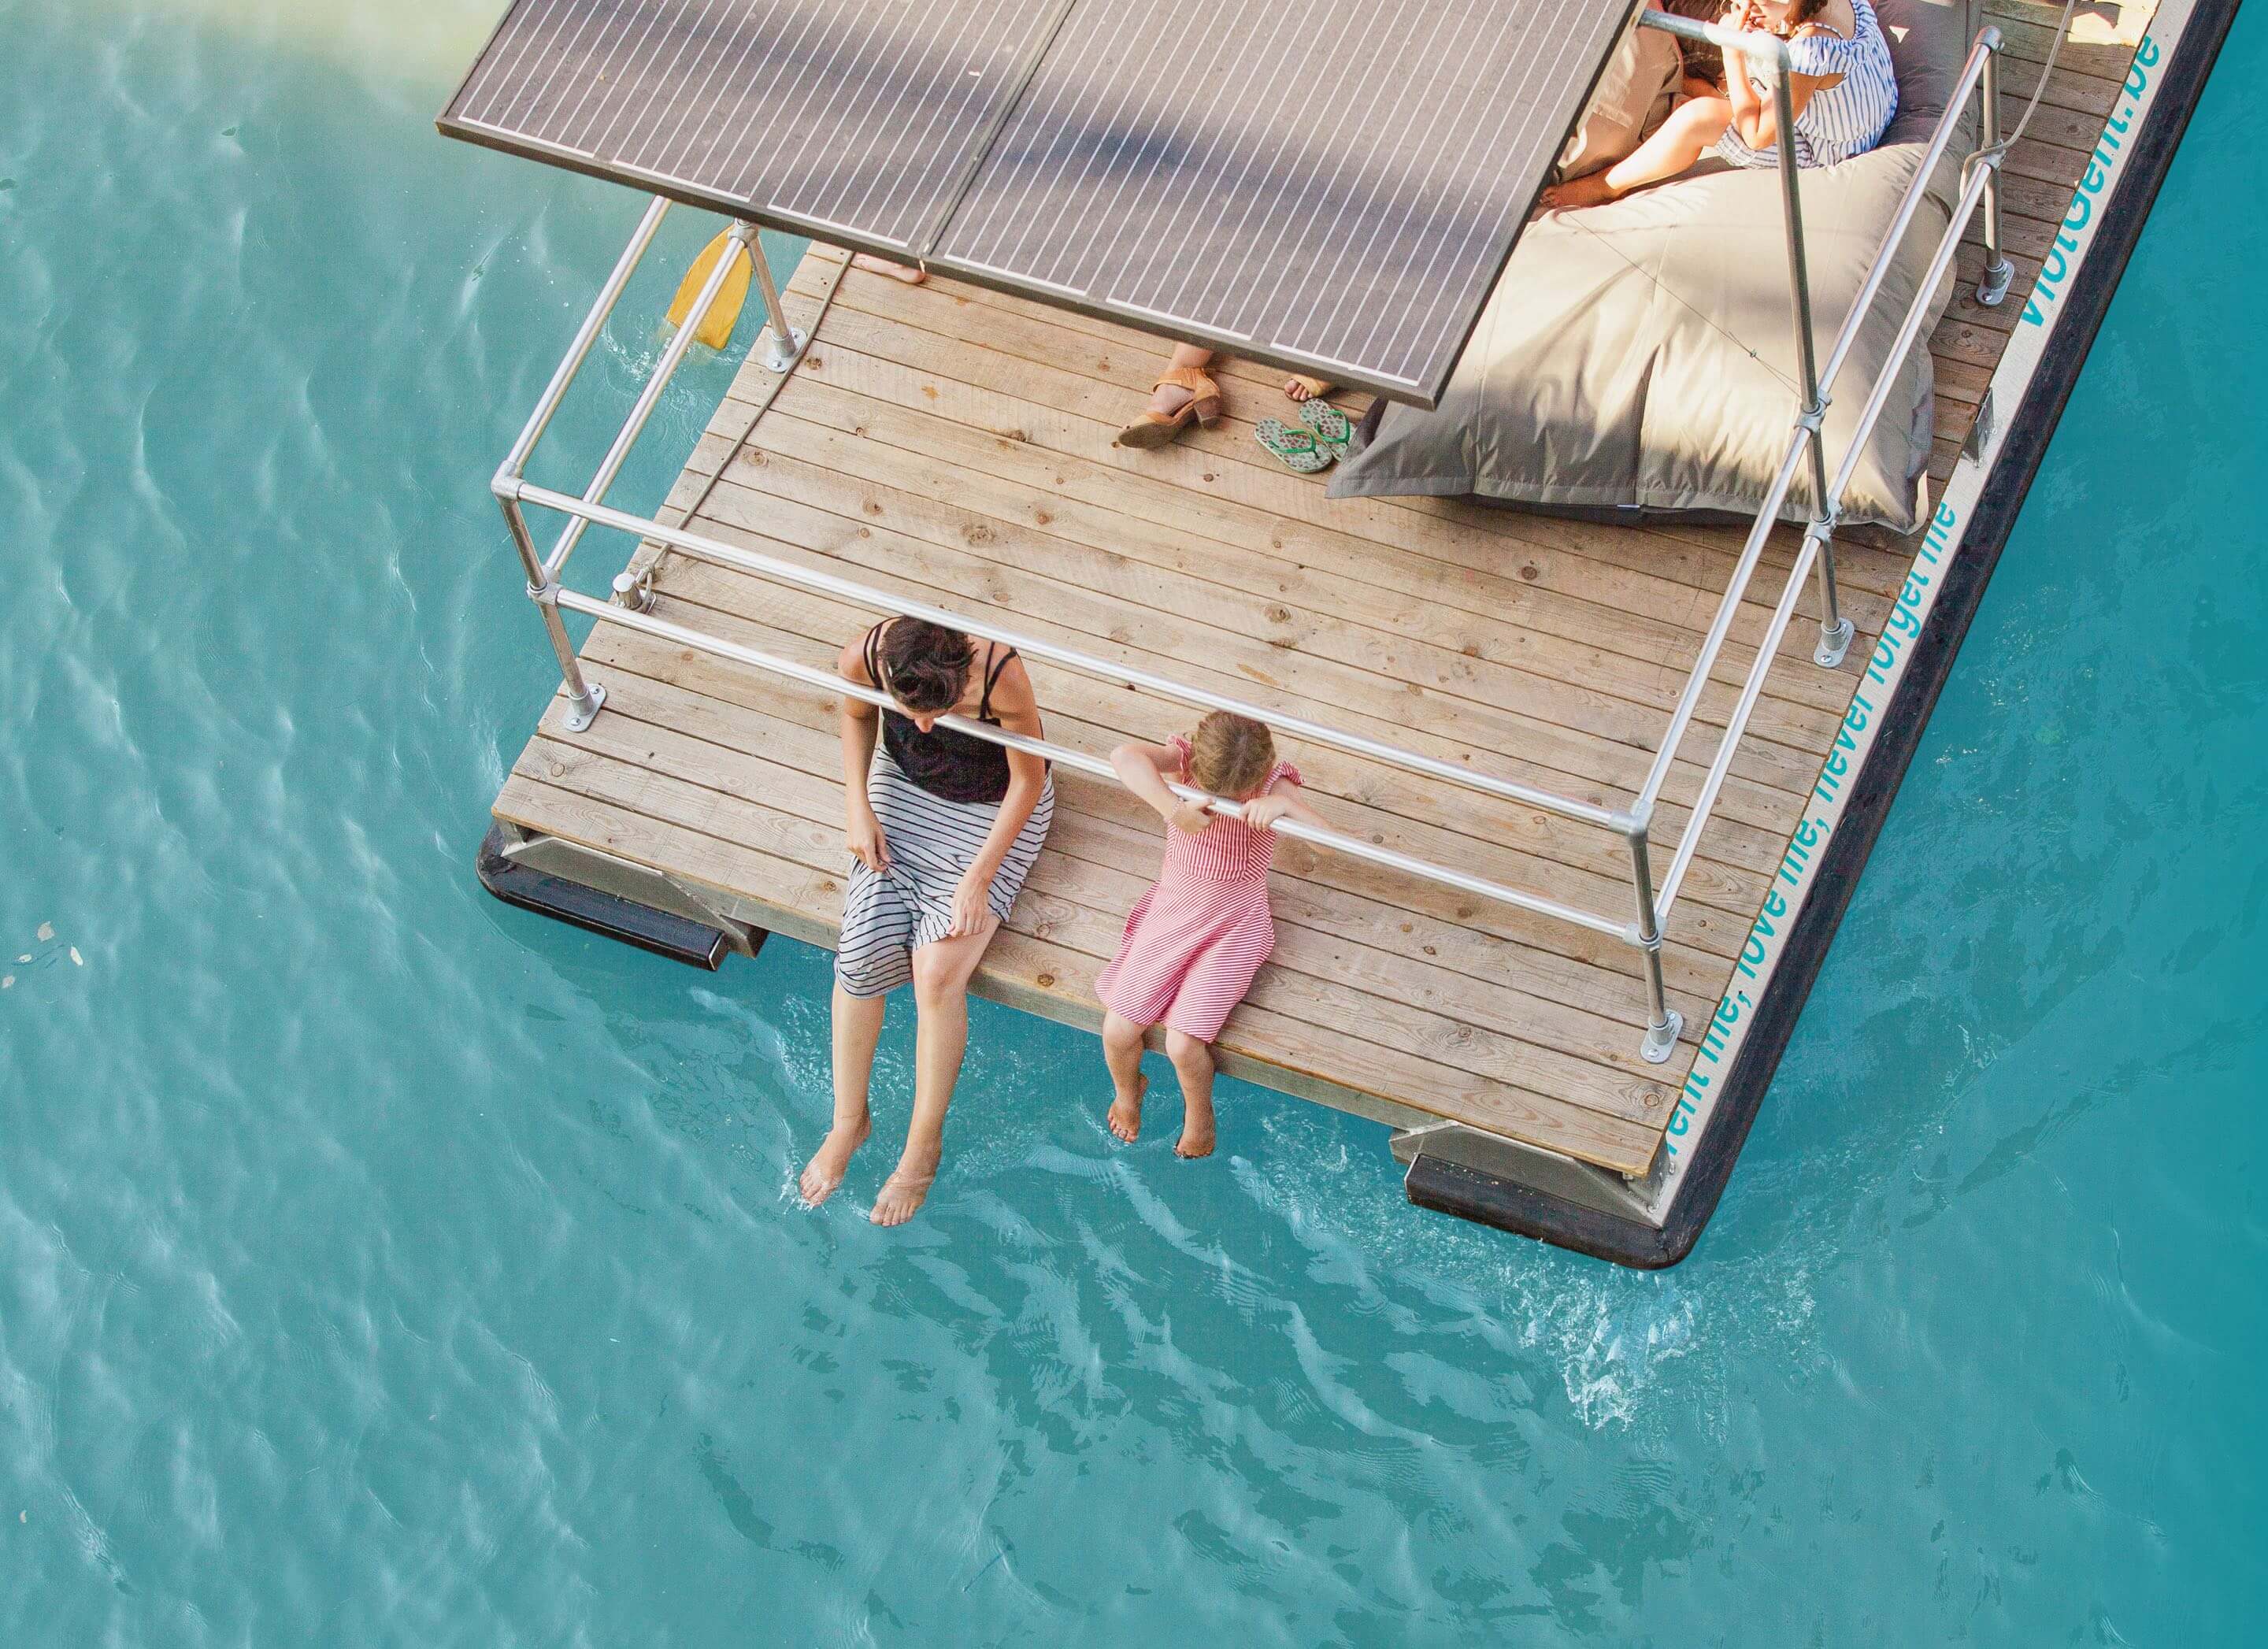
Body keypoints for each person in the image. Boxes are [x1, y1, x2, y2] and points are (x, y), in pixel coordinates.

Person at [799, 617, 1054, 1224]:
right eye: (909, 711)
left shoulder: (999, 675)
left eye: (938, 712)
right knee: (858, 951)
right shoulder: (866, 653)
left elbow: (1029, 779)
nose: (921, 726)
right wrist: (857, 806)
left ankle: (921, 1148)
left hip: (992, 808)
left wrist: (980, 876)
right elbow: (858, 716)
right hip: (906, 789)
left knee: (937, 974)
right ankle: (848, 1122)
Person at [1094, 713, 1322, 1158]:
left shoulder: (1274, 785)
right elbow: (1124, 755)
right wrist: (1173, 808)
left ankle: (1200, 1113)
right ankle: (1128, 1090)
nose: (1225, 803)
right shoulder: (1184, 760)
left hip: (1235, 922)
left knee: (1183, 1042)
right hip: (1176, 911)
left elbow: (1332, 843)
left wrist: (1288, 808)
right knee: (1118, 1027)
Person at [1536, 0, 1898, 210]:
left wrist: (1732, 51)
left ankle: (1607, 184)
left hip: (1821, 148)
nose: (1750, 7)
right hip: (1857, 105)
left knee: (1696, 117)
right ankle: (1680, 87)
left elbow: (1758, 136)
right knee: (1694, 85)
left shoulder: (1812, 51)